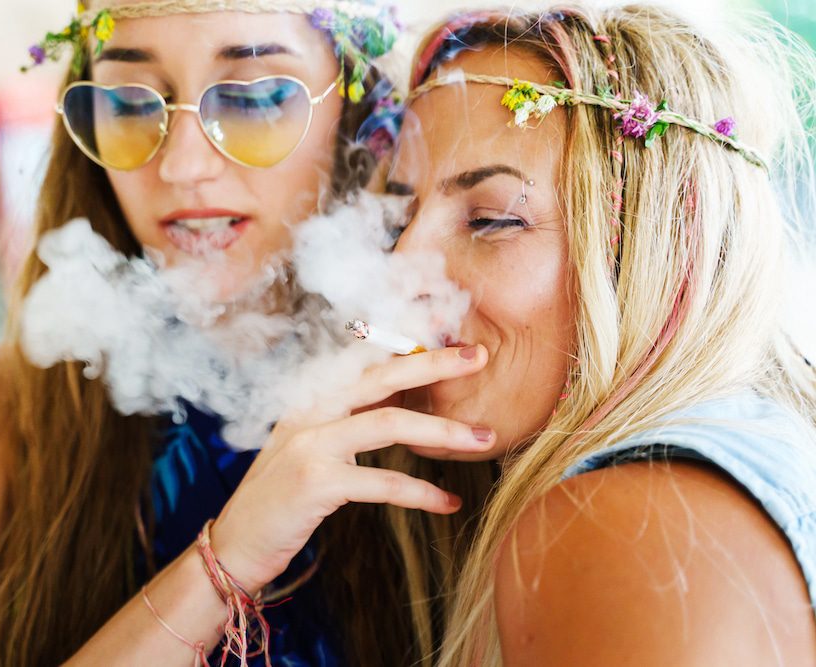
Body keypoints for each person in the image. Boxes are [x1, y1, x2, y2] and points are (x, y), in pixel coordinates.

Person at [0, 1, 499, 665]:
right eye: (132, 102)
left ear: (359, 116)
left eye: (254, 98)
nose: (181, 166)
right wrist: (224, 562)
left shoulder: (455, 402)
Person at [330, 5, 815, 664]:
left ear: (650, 245)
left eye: (492, 220)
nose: (397, 274)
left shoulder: (627, 527)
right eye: (397, 222)